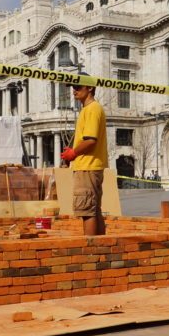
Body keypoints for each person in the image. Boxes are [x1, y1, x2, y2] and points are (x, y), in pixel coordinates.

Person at [61, 78, 107, 236]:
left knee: (87, 212)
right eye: (73, 87)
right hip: (89, 166)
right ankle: (100, 249)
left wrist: (73, 153)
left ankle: (91, 252)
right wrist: (72, 153)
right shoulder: (88, 109)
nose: (74, 90)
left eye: (78, 86)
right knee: (93, 210)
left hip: (88, 167)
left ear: (90, 88)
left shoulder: (92, 109)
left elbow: (90, 140)